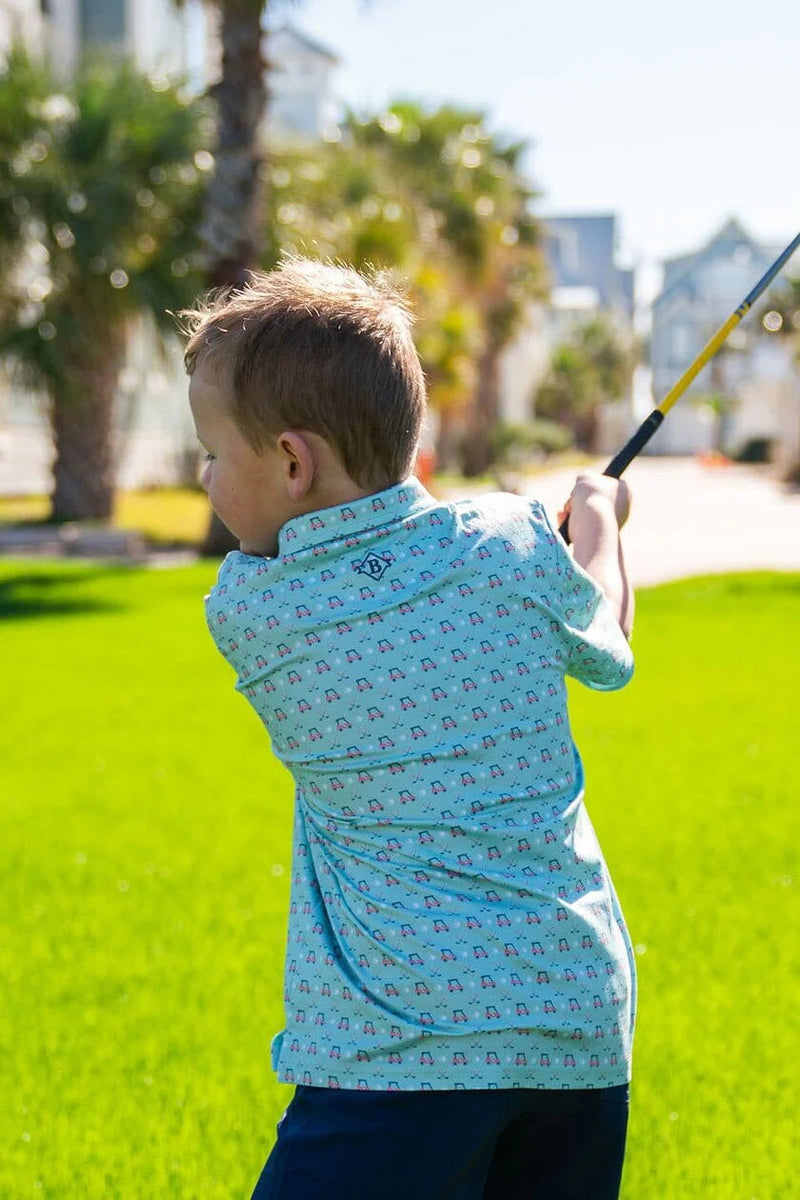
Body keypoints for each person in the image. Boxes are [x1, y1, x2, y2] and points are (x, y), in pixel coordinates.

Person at [182, 259, 637, 1200]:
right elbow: (607, 644)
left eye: (214, 453)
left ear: (293, 461)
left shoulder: (252, 610)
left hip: (398, 1051)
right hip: (575, 1024)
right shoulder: (511, 542)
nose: (205, 476)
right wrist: (596, 517)